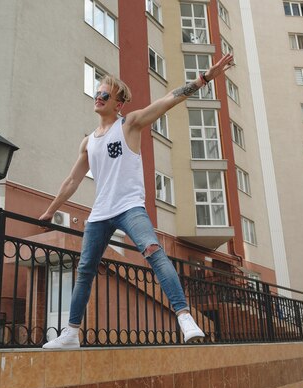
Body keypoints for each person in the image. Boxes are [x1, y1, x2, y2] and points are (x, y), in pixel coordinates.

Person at [40, 54, 235, 349]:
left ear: (118, 103)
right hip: (100, 214)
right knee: (85, 271)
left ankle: (184, 318)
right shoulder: (88, 142)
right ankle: (70, 334)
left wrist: (205, 78)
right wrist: (49, 212)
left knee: (154, 252)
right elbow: (72, 182)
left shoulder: (130, 124)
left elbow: (168, 100)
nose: (99, 97)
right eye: (97, 92)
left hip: (130, 208)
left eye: (105, 94)